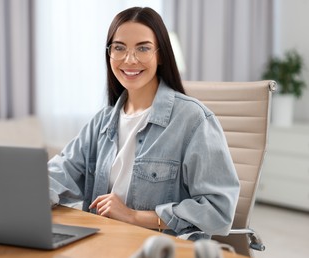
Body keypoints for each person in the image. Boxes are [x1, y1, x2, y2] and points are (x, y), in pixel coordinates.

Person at [48, 6, 240, 240]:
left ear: (160, 55)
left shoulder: (194, 120)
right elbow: (59, 173)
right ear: (109, 54)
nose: (130, 59)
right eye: (119, 48)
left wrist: (134, 216)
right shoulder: (102, 121)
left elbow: (219, 211)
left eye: (143, 48)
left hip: (160, 248)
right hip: (103, 243)